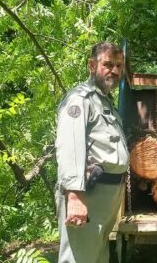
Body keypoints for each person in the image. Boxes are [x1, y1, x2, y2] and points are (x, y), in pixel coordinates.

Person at [55, 42, 129, 262]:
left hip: (106, 197)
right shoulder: (80, 99)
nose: (114, 70)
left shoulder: (103, 101)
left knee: (96, 256)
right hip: (88, 193)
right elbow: (70, 146)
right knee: (80, 258)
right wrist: (75, 196)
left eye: (118, 65)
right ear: (91, 65)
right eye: (107, 64)